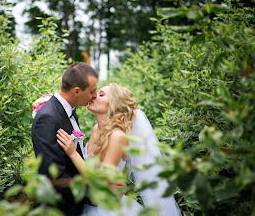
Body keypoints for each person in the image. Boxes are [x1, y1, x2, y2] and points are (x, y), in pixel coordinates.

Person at [57, 83, 182, 216]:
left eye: (101, 94)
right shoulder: (96, 129)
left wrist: (72, 153)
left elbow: (100, 179)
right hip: (86, 203)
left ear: (113, 105)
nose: (93, 96)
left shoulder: (118, 135)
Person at [31, 62, 98, 215]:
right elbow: (54, 177)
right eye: (92, 91)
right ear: (76, 91)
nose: (95, 95)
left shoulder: (68, 111)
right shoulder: (48, 118)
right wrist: (95, 193)